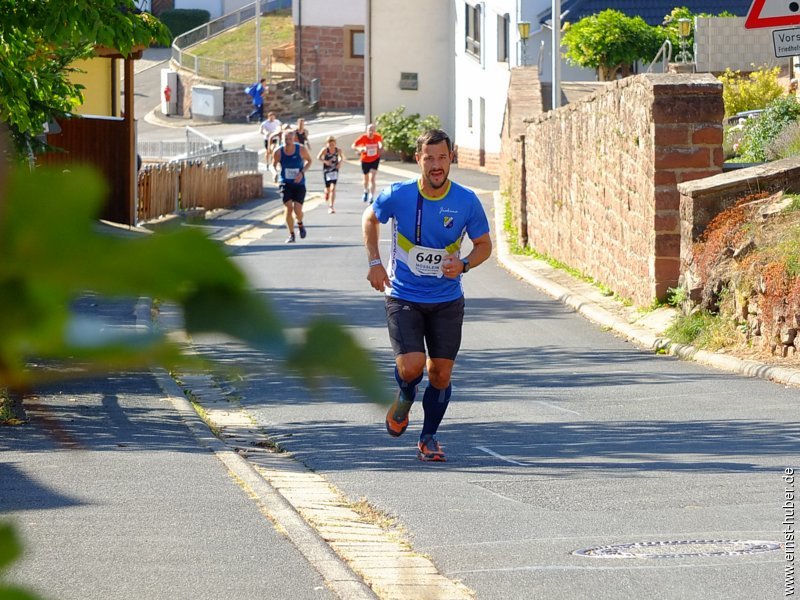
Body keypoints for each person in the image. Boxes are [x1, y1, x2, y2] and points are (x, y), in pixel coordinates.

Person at [361, 128, 492, 462]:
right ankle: (405, 396)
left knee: (441, 374)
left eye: (442, 157)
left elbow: (484, 246)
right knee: (411, 367)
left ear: (451, 159)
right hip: (403, 294)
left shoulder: (466, 200)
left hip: (447, 298)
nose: (436, 165)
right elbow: (370, 218)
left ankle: (428, 438)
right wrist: (375, 262)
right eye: (429, 157)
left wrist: (463, 265)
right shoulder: (399, 194)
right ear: (418, 159)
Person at [272, 128, 313, 244]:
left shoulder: (300, 149)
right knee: (289, 207)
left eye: (290, 139)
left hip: (299, 184)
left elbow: (309, 161)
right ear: (282, 139)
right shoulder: (278, 151)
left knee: (297, 210)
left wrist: (302, 173)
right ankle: (291, 234)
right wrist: (274, 173)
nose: (287, 141)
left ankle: (300, 223)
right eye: (285, 139)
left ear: (293, 138)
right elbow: (272, 165)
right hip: (285, 182)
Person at [352, 123, 383, 203]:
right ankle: (365, 191)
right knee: (366, 178)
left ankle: (371, 197)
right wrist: (360, 149)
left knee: (372, 178)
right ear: (367, 131)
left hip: (375, 159)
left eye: (373, 130)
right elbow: (353, 145)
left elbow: (380, 143)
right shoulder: (363, 137)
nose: (371, 132)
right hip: (365, 160)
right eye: (369, 130)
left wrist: (380, 146)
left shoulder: (377, 136)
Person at [317, 135, 343, 213]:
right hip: (327, 170)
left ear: (335, 144)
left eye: (333, 144)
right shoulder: (325, 150)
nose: (331, 146)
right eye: (330, 144)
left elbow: (341, 157)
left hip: (334, 170)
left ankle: (331, 206)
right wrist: (326, 162)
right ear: (327, 144)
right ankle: (326, 192)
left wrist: (340, 163)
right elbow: (318, 157)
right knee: (328, 188)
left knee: (333, 188)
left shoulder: (338, 150)